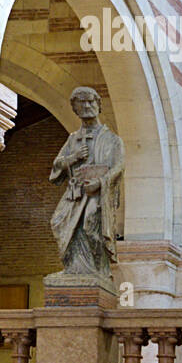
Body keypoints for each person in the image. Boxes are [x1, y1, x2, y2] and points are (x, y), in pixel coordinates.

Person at [49, 87, 124, 277]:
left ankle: (97, 270)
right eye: (81, 103)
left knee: (90, 223)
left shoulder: (111, 139)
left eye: (91, 101)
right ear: (75, 109)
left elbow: (119, 166)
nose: (87, 106)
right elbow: (57, 166)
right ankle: (73, 268)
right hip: (75, 192)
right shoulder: (73, 139)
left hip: (97, 193)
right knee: (58, 221)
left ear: (99, 105)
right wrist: (72, 158)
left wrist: (100, 183)